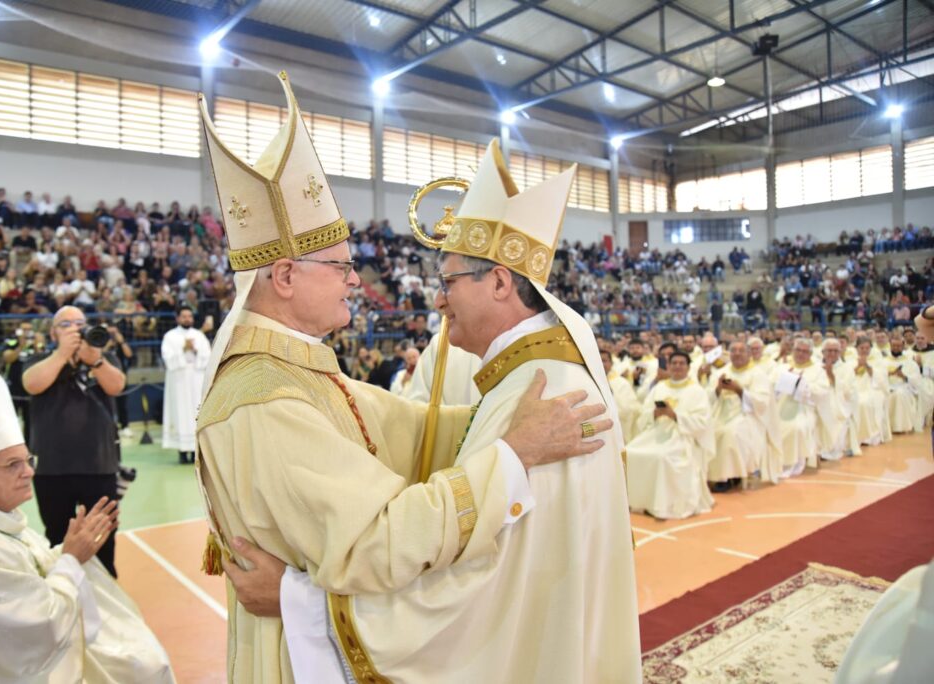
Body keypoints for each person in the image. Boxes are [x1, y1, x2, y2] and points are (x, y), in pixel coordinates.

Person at [194, 76, 610, 682]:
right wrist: (514, 453)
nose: (357, 281)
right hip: (303, 657)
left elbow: (407, 430)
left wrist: (496, 418)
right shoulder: (262, 397)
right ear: (283, 276)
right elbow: (380, 540)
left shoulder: (294, 368)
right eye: (341, 266)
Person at [0, 365, 175, 683]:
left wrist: (71, 550)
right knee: (142, 667)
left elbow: (23, 579)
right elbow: (33, 631)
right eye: (13, 464)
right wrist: (70, 559)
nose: (29, 472)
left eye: (27, 460)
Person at [22, 305, 127, 576]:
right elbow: (31, 384)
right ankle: (65, 590)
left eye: (80, 323)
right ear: (53, 332)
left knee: (104, 536)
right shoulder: (39, 359)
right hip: (51, 469)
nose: (75, 329)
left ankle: (107, 594)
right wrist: (62, 354)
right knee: (58, 537)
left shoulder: (104, 357)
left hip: (99, 465)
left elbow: (116, 386)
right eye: (66, 324)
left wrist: (95, 360)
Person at [626, 351, 715, 519]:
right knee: (630, 452)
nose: (678, 366)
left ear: (689, 367)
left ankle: (661, 505)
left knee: (661, 457)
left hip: (681, 436)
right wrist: (655, 413)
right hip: (656, 432)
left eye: (682, 363)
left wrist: (674, 415)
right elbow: (643, 414)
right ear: (669, 366)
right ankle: (639, 501)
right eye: (674, 363)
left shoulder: (697, 391)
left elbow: (702, 422)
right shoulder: (660, 387)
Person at [706, 341, 772, 490]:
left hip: (746, 415)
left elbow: (761, 401)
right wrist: (718, 389)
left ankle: (730, 477)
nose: (737, 354)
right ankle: (709, 474)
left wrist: (739, 390)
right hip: (720, 413)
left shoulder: (757, 374)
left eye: (741, 351)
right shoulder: (720, 372)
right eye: (733, 350)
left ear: (749, 354)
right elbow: (707, 397)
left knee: (731, 433)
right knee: (709, 431)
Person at [774, 337, 834, 477]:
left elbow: (822, 391)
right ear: (793, 351)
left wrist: (801, 384)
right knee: (769, 425)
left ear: (811, 354)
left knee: (795, 427)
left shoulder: (818, 370)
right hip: (780, 405)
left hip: (804, 408)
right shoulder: (782, 367)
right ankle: (774, 463)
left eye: (805, 352)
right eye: (798, 350)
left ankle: (792, 463)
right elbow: (770, 384)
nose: (800, 354)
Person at [161, 305, 210, 463]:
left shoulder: (199, 336)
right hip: (179, 379)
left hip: (196, 378)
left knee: (197, 412)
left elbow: (208, 356)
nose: (187, 319)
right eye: (184, 316)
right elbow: (167, 358)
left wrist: (195, 350)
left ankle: (196, 451)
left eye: (189, 316)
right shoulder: (170, 336)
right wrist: (183, 348)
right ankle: (182, 452)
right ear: (178, 318)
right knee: (180, 411)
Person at [885, 337, 923, 433]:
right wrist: (888, 374)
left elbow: (917, 380)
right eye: (894, 345)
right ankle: (886, 427)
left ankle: (899, 427)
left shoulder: (910, 362)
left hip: (904, 387)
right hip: (887, 387)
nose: (896, 348)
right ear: (890, 345)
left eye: (898, 346)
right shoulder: (884, 361)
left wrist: (904, 377)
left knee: (899, 394)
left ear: (903, 346)